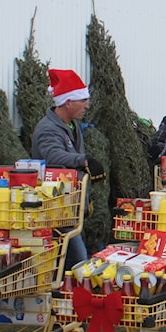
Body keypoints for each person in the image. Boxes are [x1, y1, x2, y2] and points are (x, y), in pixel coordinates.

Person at [31, 69, 106, 270]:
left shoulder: (71, 125)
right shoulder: (48, 128)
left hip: (67, 210)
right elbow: (53, 156)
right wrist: (84, 160)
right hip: (54, 210)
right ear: (68, 102)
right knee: (78, 261)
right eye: (83, 101)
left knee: (73, 261)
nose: (87, 106)